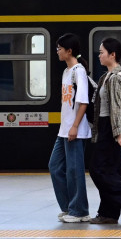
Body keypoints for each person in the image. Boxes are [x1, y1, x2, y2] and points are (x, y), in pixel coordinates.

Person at [87, 37, 121, 225]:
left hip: (111, 128)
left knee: (97, 169)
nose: (99, 55)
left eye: (102, 52)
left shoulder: (117, 77)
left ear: (113, 55)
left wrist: (118, 133)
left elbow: (117, 107)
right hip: (106, 126)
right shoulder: (107, 76)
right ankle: (108, 213)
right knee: (110, 171)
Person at [49, 34, 91, 223]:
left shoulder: (78, 71)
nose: (57, 51)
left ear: (69, 51)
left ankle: (80, 211)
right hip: (64, 130)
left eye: (59, 48)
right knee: (55, 166)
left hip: (76, 130)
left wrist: (74, 126)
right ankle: (69, 207)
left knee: (75, 170)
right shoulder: (67, 72)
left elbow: (83, 102)